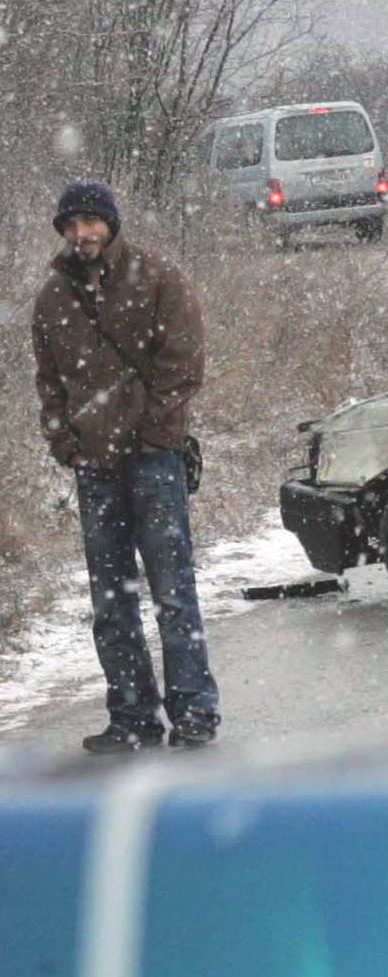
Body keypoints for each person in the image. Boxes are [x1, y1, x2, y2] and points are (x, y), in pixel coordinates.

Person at [31, 180, 220, 754]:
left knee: (172, 590)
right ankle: (132, 715)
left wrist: (151, 434)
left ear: (111, 223)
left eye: (91, 222)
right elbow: (50, 383)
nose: (82, 233)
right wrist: (68, 443)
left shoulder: (157, 276)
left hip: (154, 460)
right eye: (72, 224)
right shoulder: (52, 299)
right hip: (94, 466)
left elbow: (184, 364)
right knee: (111, 599)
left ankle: (194, 711)